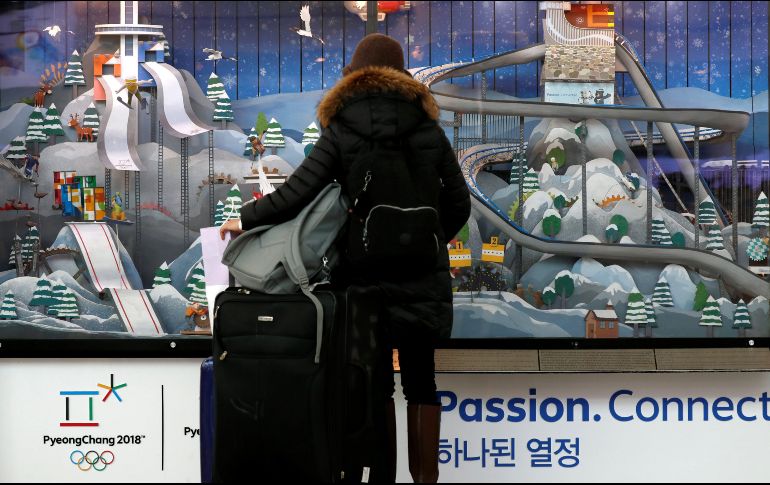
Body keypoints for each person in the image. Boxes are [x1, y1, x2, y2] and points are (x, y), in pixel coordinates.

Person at [220, 33, 470, 483]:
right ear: (403, 78)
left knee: (370, 387)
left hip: (364, 282)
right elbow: (458, 203)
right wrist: (426, 241)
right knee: (421, 384)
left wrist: (246, 218)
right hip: (422, 279)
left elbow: (299, 191)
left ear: (355, 75)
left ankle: (376, 476)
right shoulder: (428, 128)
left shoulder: (343, 127)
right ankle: (425, 479)